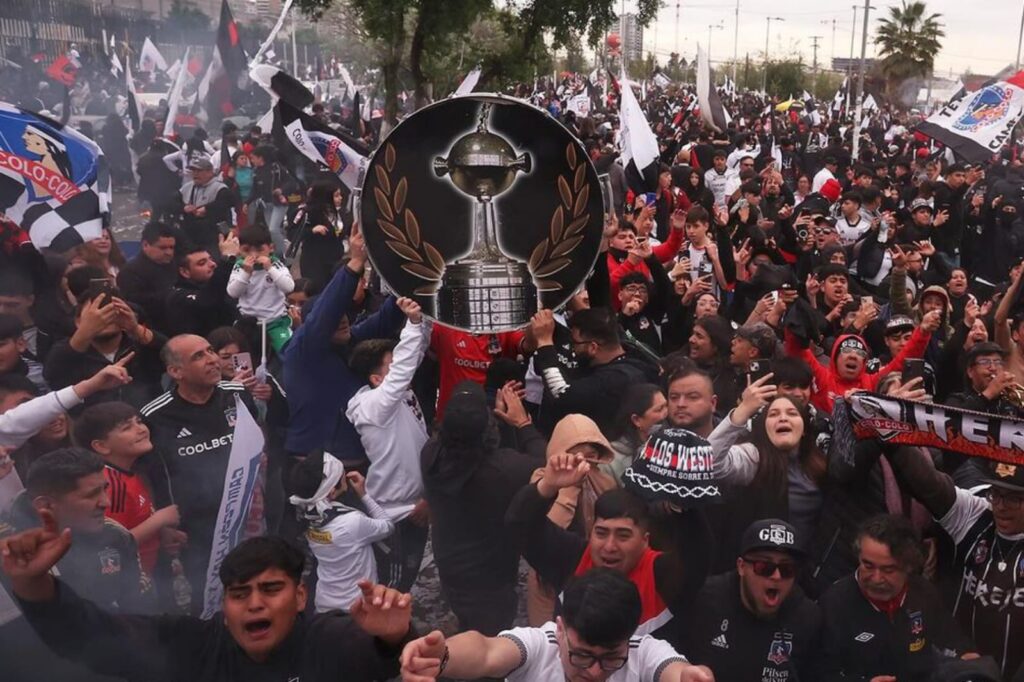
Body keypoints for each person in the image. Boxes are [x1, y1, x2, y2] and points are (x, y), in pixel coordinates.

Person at [2, 531, 414, 681]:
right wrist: (32, 583)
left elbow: (381, 654)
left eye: (271, 589)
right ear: (225, 605)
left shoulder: (327, 639)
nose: (254, 604)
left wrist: (394, 635)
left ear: (300, 596)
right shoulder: (192, 647)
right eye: (239, 594)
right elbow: (96, 637)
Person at [506, 452, 706, 640]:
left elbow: (698, 555)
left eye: (623, 535)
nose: (609, 547)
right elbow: (520, 525)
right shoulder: (572, 558)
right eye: (601, 533)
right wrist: (548, 485)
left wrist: (683, 501)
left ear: (645, 540)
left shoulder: (661, 574)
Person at [399, 568, 713, 682]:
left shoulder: (642, 652)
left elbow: (672, 670)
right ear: (560, 629)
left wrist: (687, 676)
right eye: (582, 654)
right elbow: (487, 652)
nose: (594, 671)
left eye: (610, 658)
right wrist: (442, 658)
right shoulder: (540, 646)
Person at [139, 334, 259, 608]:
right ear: (175, 371)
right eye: (199, 356)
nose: (213, 360)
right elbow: (149, 475)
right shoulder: (154, 415)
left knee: (255, 583)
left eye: (211, 351)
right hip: (195, 527)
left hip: (246, 514)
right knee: (209, 596)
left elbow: (257, 445)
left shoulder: (237, 394)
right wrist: (165, 525)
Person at [886, 446, 1024, 679]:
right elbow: (929, 485)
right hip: (960, 670)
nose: (1000, 506)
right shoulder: (978, 514)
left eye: (1014, 499)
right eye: (996, 494)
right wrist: (889, 439)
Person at [420, 380, 546, 634]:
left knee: (465, 611)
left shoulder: (430, 455)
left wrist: (494, 424)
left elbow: (471, 453)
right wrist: (521, 423)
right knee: (489, 638)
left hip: (449, 562)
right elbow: (545, 463)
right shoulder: (505, 471)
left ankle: (465, 625)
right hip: (492, 577)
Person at [281, 225, 403, 468]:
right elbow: (328, 312)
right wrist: (356, 261)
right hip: (314, 467)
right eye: (335, 319)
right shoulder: (303, 351)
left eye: (345, 314)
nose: (343, 320)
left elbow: (388, 317)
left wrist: (408, 268)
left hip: (357, 464)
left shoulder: (351, 340)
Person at [819, 514, 978, 681]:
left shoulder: (923, 593)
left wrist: (967, 656)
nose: (876, 578)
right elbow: (818, 673)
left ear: (908, 567)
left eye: (888, 570)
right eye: (868, 566)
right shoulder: (834, 604)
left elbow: (952, 638)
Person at [0, 447, 155, 613]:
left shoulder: (116, 536)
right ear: (45, 505)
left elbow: (136, 609)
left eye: (104, 489)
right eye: (91, 495)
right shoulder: (10, 551)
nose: (106, 502)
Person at [345, 298, 430, 592]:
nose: (402, 371)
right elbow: (404, 368)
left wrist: (427, 315)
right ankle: (387, 634)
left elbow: (413, 357)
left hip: (418, 504)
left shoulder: (398, 394)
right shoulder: (373, 405)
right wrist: (413, 324)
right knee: (391, 587)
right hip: (395, 515)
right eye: (392, 367)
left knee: (407, 578)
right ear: (376, 379)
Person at [681, 519, 822, 681]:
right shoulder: (706, 599)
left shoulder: (807, 618)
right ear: (741, 567)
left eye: (787, 569)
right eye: (764, 567)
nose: (776, 576)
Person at [73, 401, 183, 578]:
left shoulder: (129, 471)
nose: (141, 429)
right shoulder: (108, 485)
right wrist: (160, 520)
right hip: (130, 584)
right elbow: (111, 545)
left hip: (148, 571)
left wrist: (162, 532)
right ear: (101, 446)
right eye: (126, 428)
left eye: (139, 421)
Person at [288, 451, 394, 613]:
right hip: (358, 608)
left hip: (323, 605)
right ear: (331, 492)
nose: (344, 473)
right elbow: (387, 526)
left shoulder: (306, 516)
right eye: (341, 473)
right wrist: (364, 495)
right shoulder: (352, 522)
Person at [530, 308, 658, 434]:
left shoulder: (617, 378)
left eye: (574, 343)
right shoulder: (632, 355)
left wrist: (545, 342)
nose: (572, 348)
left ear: (593, 347)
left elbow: (562, 393)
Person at [43, 286, 166, 409]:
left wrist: (135, 328)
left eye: (110, 310)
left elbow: (173, 356)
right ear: (78, 321)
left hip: (148, 421)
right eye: (96, 312)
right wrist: (85, 332)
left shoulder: (139, 345)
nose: (103, 317)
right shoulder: (68, 352)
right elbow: (52, 374)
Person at [226, 224, 295, 353]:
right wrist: (246, 273)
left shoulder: (276, 265)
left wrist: (270, 269)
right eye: (247, 250)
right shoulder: (239, 267)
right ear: (239, 250)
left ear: (271, 248)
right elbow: (233, 293)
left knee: (288, 352)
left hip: (275, 322)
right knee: (242, 355)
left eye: (259, 250)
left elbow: (289, 287)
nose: (254, 255)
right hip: (249, 323)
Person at [165, 238, 239, 338]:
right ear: (184, 272)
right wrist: (227, 259)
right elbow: (206, 300)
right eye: (202, 263)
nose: (212, 264)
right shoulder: (177, 296)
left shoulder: (222, 285)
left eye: (211, 259)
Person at [117, 221, 179, 332]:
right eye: (163, 248)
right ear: (145, 245)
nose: (169, 252)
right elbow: (135, 302)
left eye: (171, 247)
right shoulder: (130, 272)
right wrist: (172, 295)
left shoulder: (173, 264)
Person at [178, 157, 235, 255]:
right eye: (193, 171)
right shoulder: (187, 187)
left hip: (214, 234)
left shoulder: (220, 188)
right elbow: (171, 203)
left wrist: (206, 209)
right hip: (191, 232)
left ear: (210, 172)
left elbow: (225, 203)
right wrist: (183, 208)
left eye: (199, 171)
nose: (195, 174)